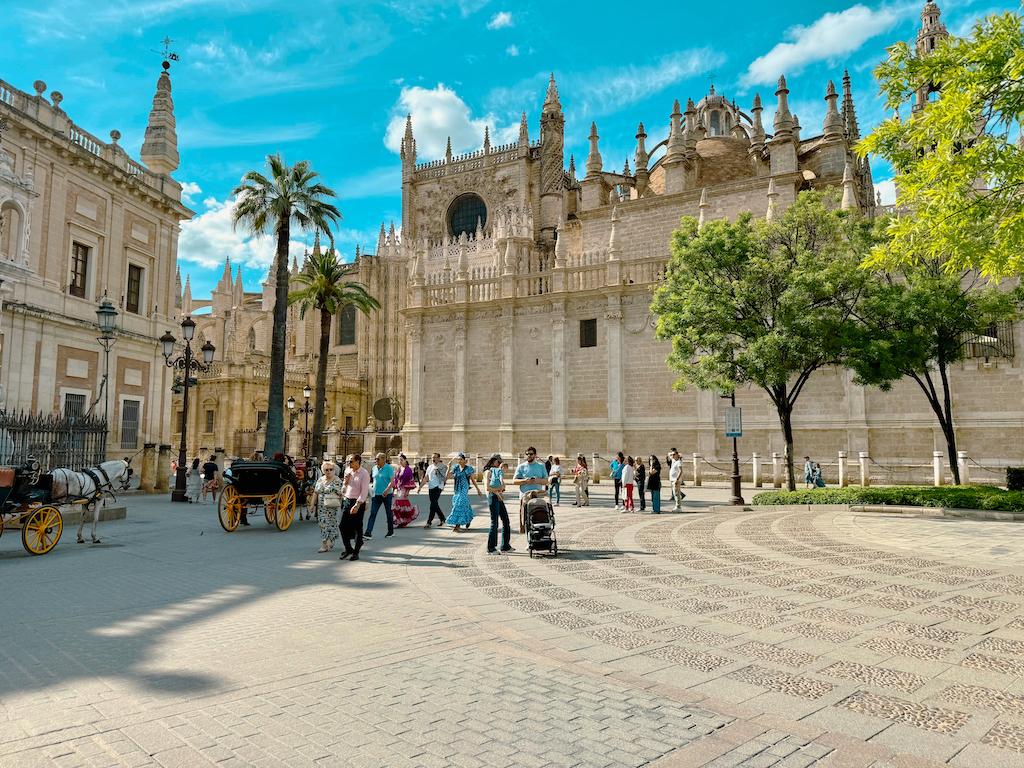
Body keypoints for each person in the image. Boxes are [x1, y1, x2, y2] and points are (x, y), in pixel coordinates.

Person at [339, 454, 370, 560]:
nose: (348, 464)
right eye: (348, 462)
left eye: (351, 461)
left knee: (357, 527)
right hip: (347, 500)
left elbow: (364, 491)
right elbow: (343, 490)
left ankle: (356, 551)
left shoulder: (364, 474)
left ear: (358, 462)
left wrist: (358, 504)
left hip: (358, 502)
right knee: (342, 525)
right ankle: (348, 548)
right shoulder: (347, 471)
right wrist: (345, 482)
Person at [310, 460, 344, 553]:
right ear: (323, 470)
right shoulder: (320, 479)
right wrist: (312, 504)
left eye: (331, 469)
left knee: (333, 524)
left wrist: (342, 505)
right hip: (322, 507)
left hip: (333, 507)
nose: (329, 471)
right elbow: (316, 493)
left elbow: (342, 494)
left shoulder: (337, 480)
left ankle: (332, 537)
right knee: (323, 525)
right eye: (326, 469)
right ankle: (324, 544)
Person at [513, 446, 548, 532]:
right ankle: (524, 530)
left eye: (531, 454)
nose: (529, 456)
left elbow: (546, 481)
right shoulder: (521, 467)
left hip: (537, 494)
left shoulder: (541, 466)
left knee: (538, 514)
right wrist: (525, 481)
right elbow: (514, 481)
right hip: (525, 495)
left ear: (535, 455)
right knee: (524, 516)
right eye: (527, 454)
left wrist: (538, 480)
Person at [484, 454, 513, 553]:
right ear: (494, 461)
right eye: (498, 462)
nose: (500, 464)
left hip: (498, 497)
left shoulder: (497, 472)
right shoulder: (488, 472)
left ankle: (505, 545)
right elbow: (488, 488)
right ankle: (491, 548)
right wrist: (500, 488)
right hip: (493, 497)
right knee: (494, 523)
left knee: (506, 520)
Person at [447, 452, 482, 532]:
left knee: (459, 504)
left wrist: (478, 490)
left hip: (464, 487)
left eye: (461, 459)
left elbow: (473, 480)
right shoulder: (455, 468)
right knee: (461, 503)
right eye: (458, 459)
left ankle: (457, 524)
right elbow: (448, 476)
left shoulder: (468, 469)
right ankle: (468, 518)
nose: (459, 461)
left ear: (465, 461)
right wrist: (448, 467)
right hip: (457, 488)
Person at [365, 453, 396, 539]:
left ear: (383, 460)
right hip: (376, 494)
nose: (376, 461)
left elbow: (392, 481)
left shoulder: (389, 468)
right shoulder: (374, 468)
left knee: (388, 513)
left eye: (378, 459)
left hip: (387, 494)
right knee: (373, 513)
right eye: (376, 459)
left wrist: (387, 489)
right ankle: (368, 532)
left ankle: (390, 531)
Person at [418, 452, 448, 528]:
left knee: (432, 505)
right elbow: (426, 478)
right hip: (431, 487)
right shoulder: (430, 467)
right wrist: (420, 487)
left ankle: (429, 522)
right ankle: (442, 518)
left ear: (439, 458)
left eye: (435, 457)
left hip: (438, 487)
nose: (433, 459)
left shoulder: (442, 467)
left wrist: (438, 471)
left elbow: (444, 477)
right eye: (432, 457)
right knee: (434, 504)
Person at [391, 455, 419, 527]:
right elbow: (396, 480)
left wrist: (408, 490)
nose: (400, 461)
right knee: (400, 505)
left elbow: (410, 480)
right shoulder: (398, 469)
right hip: (399, 488)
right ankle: (401, 520)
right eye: (399, 460)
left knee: (399, 503)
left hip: (404, 488)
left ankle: (402, 520)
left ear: (405, 460)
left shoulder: (408, 470)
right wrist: (393, 489)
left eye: (401, 460)